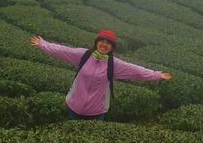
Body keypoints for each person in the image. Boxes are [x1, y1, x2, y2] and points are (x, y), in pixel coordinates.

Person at [30, 30, 172, 120]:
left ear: (112, 47)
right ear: (97, 42)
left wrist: (156, 75)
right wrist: (43, 44)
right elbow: (62, 50)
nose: (104, 45)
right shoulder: (83, 55)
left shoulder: (113, 64)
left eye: (108, 43)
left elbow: (135, 70)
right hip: (74, 107)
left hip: (96, 112)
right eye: (102, 41)